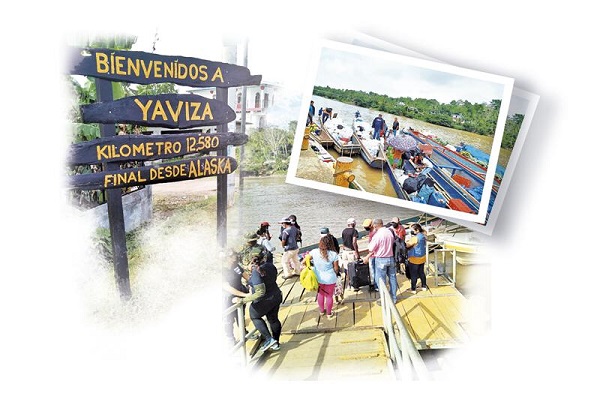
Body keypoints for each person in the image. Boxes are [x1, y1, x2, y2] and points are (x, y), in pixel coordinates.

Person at [234, 247, 283, 352]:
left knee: (254, 316)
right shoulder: (270, 266)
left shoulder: (256, 272)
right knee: (273, 319)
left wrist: (242, 300)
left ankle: (269, 339)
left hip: (264, 300)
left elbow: (260, 292)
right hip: (276, 295)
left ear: (252, 259)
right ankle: (276, 343)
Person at [363, 219, 398, 303]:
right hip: (391, 257)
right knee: (392, 278)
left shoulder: (377, 235)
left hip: (381, 259)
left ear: (375, 226)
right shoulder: (390, 231)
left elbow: (371, 248)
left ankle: (384, 298)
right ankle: (393, 298)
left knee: (380, 280)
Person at [222, 248, 250, 347]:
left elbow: (245, 276)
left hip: (240, 292)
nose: (234, 258)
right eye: (232, 257)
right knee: (229, 319)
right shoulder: (221, 271)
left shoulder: (236, 266)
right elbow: (227, 288)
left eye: (234, 256)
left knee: (240, 315)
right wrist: (245, 295)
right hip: (228, 298)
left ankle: (244, 332)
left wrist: (253, 284)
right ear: (225, 258)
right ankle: (230, 338)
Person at [307, 235, 340, 319]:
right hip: (330, 278)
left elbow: (304, 261)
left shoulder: (314, 252)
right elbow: (336, 268)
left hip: (318, 277)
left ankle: (321, 311)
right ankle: (329, 313)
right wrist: (336, 274)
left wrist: (311, 268)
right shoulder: (333, 254)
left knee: (320, 294)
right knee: (329, 296)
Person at [405, 223, 428, 294]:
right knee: (421, 272)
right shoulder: (423, 235)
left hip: (415, 258)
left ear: (417, 230)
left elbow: (408, 245)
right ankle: (424, 286)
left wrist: (405, 242)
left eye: (413, 230)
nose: (412, 232)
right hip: (422, 257)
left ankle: (413, 289)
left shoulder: (415, 238)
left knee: (413, 274)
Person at [340, 217, 361, 290]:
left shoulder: (344, 231)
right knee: (353, 268)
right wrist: (356, 252)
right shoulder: (354, 231)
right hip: (351, 252)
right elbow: (354, 242)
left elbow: (343, 242)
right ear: (354, 224)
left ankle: (348, 284)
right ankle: (354, 285)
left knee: (347, 269)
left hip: (344, 252)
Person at [362, 218, 378, 292]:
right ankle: (374, 284)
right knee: (373, 270)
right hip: (372, 254)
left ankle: (375, 285)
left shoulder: (374, 233)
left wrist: (368, 255)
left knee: (374, 271)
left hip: (374, 255)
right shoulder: (371, 232)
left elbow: (375, 246)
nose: (366, 228)